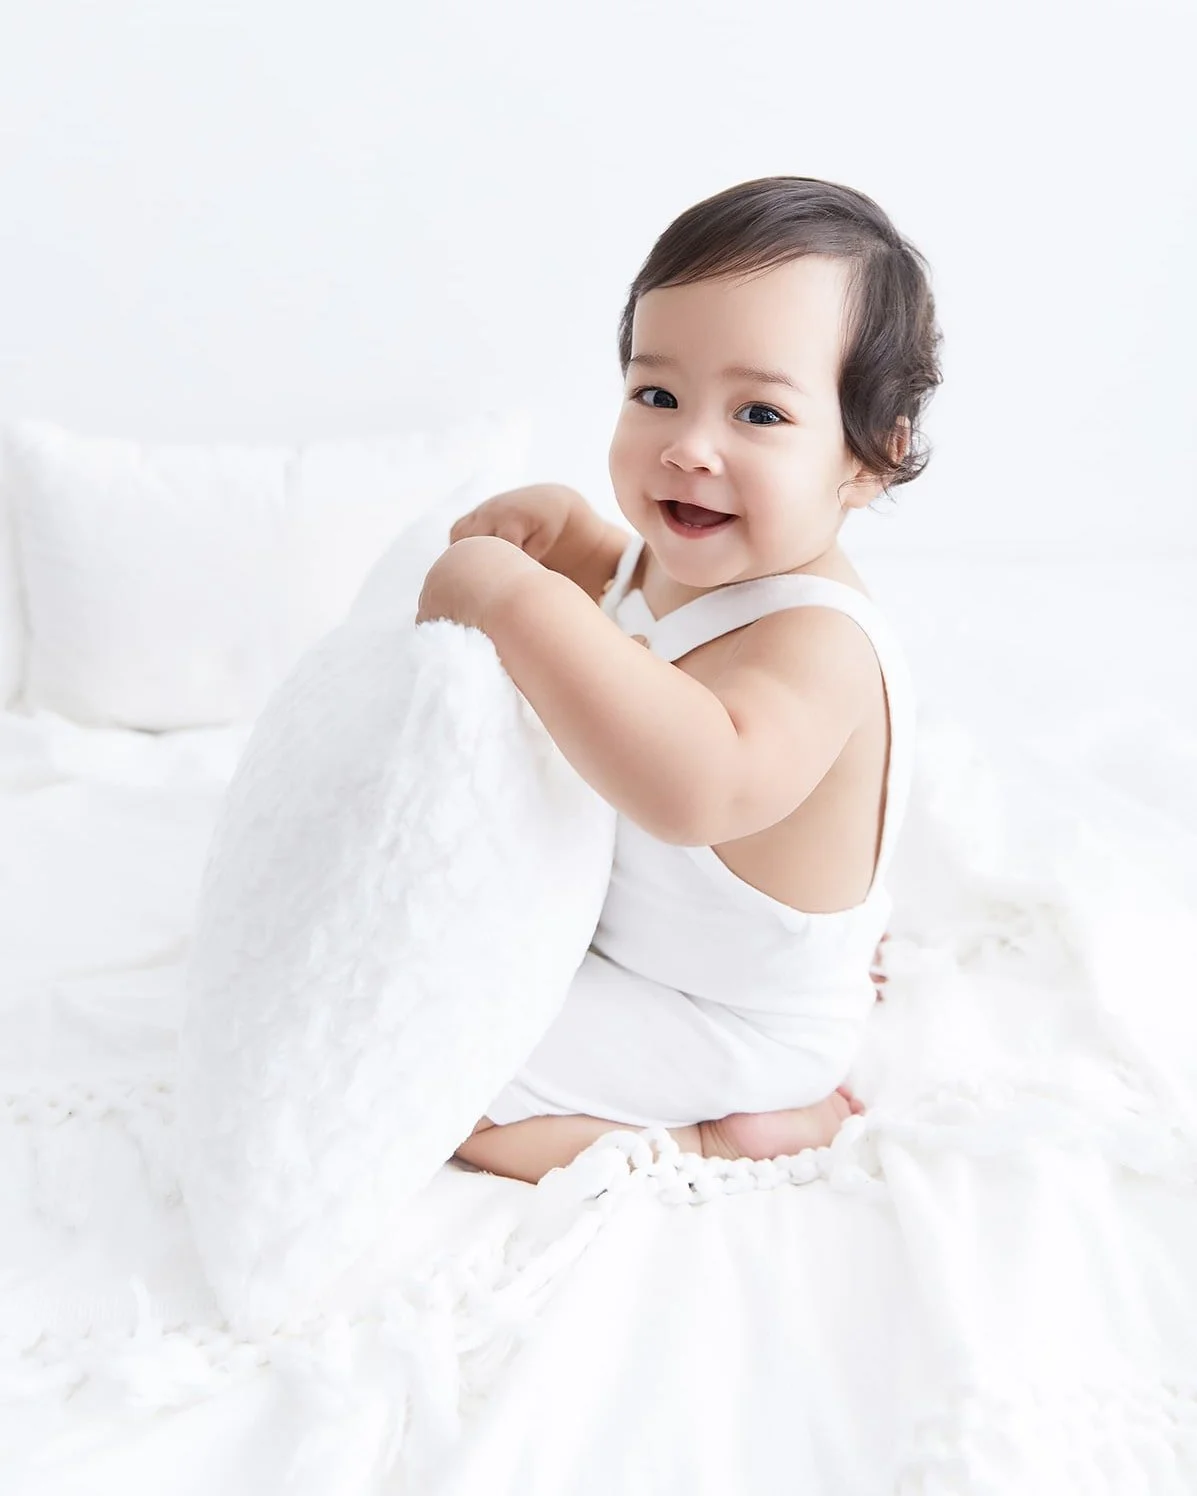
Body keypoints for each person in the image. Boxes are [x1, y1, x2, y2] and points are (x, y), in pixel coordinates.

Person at [415, 175, 943, 1184]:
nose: (689, 445)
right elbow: (652, 633)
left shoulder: (818, 644)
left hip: (733, 1018)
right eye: (657, 394)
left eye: (758, 412)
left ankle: (732, 1135)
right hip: (641, 956)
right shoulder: (678, 560)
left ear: (871, 457)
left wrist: (521, 603)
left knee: (432, 1082)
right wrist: (579, 545)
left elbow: (690, 780)